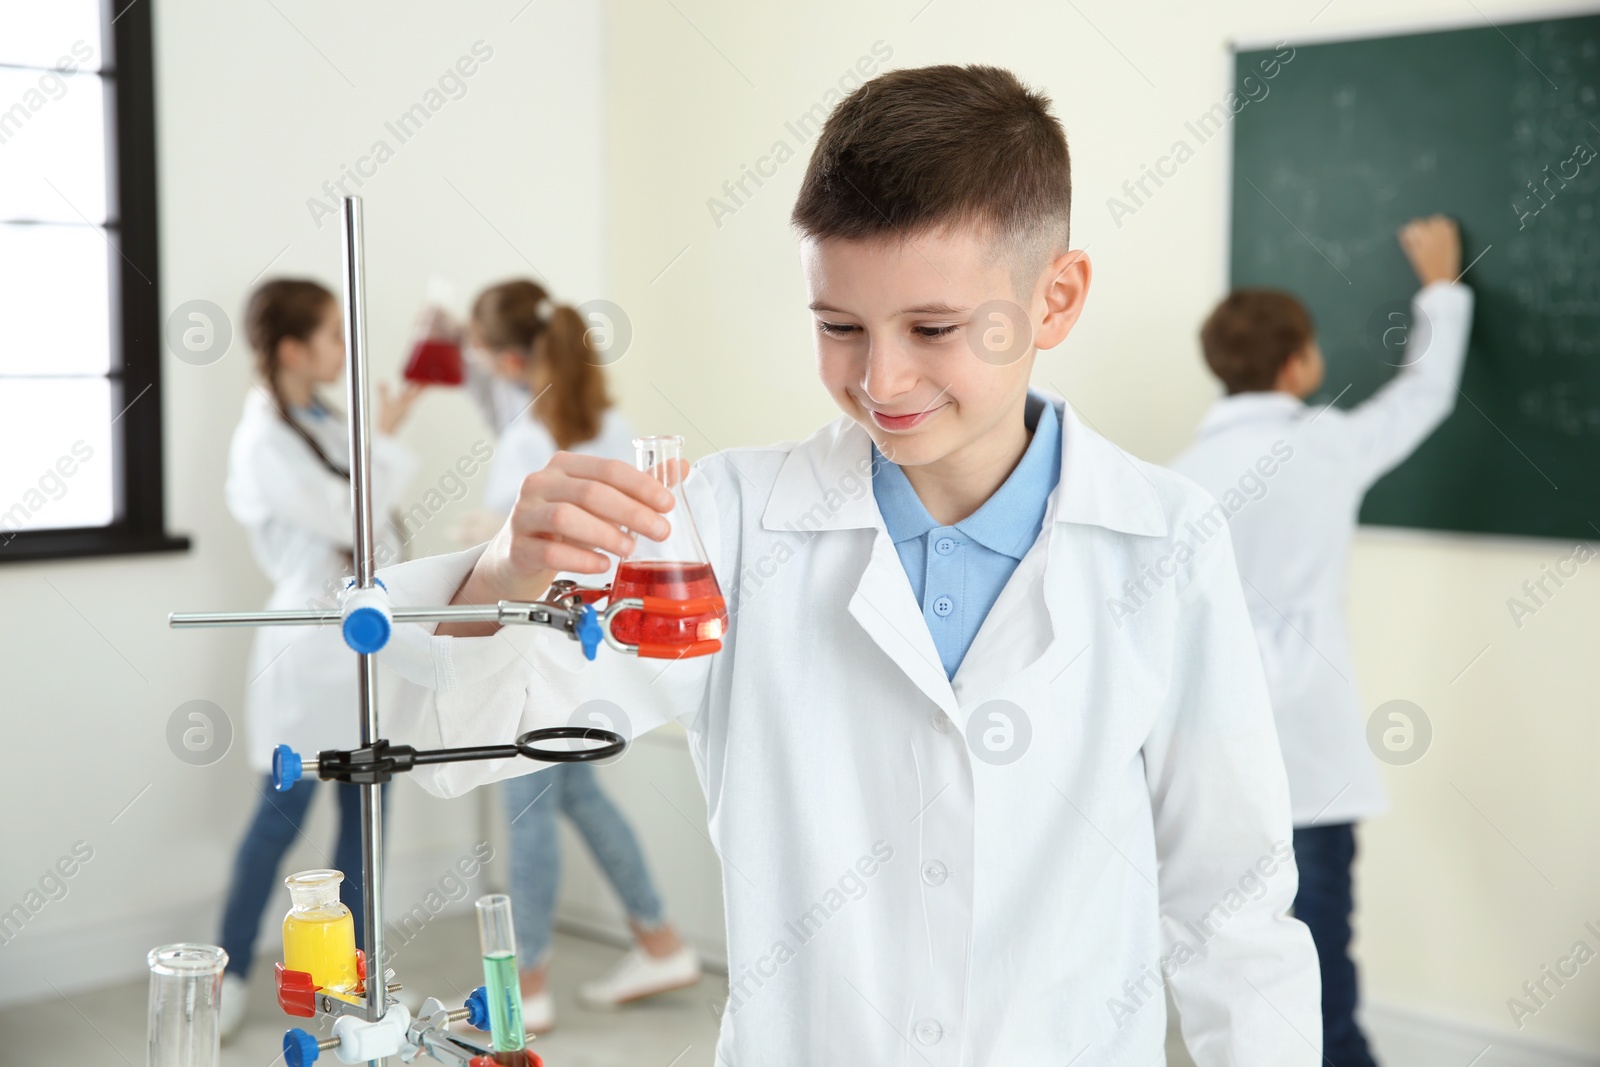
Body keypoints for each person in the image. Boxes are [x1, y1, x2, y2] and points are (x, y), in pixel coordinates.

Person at [376, 65, 1320, 1063]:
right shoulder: (724, 527)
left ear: (1056, 297)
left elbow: (1233, 909)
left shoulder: (1164, 541)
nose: (880, 379)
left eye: (932, 328)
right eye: (838, 328)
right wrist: (504, 576)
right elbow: (468, 752)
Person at [1170, 217, 1474, 1067]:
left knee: (1232, 961)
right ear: (1299, 362)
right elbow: (1424, 397)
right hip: (1310, 751)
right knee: (1320, 961)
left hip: (1212, 751)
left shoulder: (1176, 479)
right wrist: (1442, 291)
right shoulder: (1324, 446)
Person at [464, 279, 700, 1031]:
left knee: (526, 805)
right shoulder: (609, 420)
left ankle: (526, 981)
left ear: (507, 359)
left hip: (534, 648)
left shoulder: (529, 438)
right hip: (595, 644)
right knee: (576, 797)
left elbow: (512, 545)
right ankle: (659, 940)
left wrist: (483, 529)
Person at [217, 278, 422, 1041]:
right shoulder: (264, 437)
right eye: (334, 335)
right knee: (277, 821)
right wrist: (390, 439)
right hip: (306, 659)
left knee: (365, 822)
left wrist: (379, 437)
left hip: (363, 649)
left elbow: (369, 518)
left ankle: (352, 982)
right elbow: (345, 511)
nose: (345, 348)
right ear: (293, 349)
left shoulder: (318, 420)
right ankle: (230, 971)